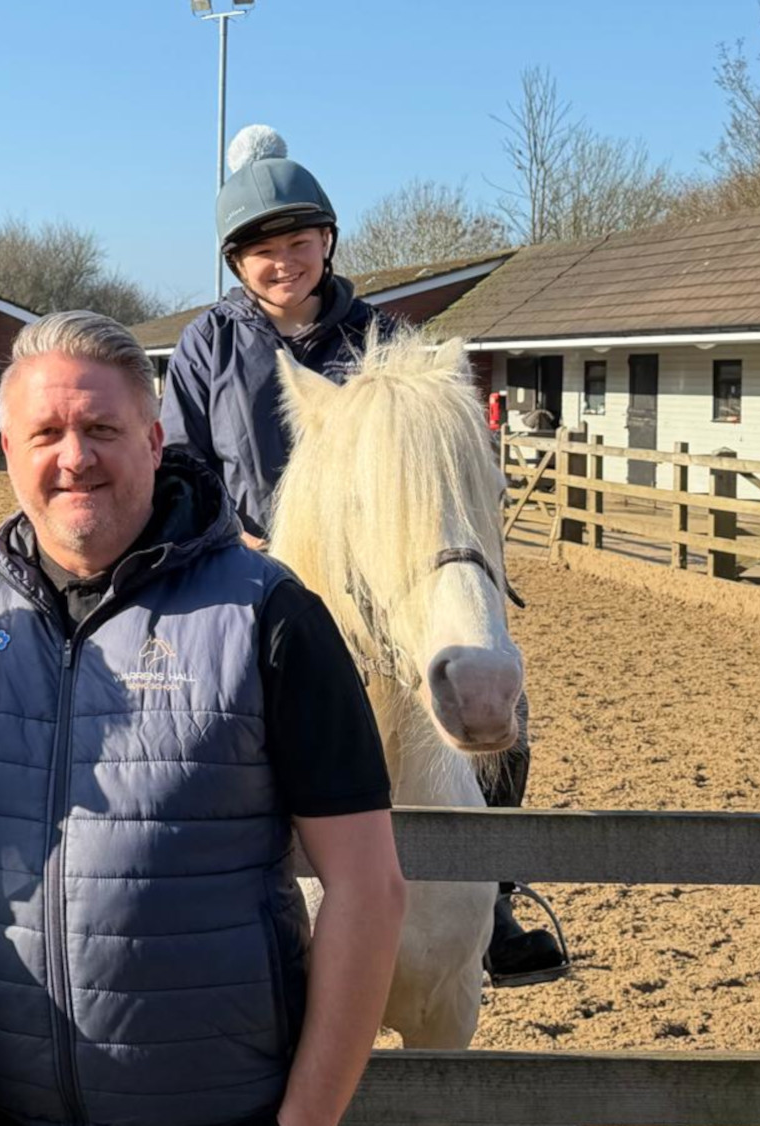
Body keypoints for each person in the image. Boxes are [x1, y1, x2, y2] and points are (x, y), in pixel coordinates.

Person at [0, 311, 405, 1126]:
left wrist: (308, 1119)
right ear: (8, 451)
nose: (74, 457)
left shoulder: (270, 615)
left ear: (154, 440)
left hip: (218, 1106)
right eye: (46, 432)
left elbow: (370, 888)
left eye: (102, 428)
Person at [158, 124, 566, 985]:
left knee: (503, 716)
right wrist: (230, 534)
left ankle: (488, 899)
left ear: (328, 241)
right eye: (262, 251)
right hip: (249, 572)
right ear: (238, 263)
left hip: (376, 580)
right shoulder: (208, 348)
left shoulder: (385, 339)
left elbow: (435, 468)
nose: (283, 263)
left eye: (298, 243)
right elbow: (181, 465)